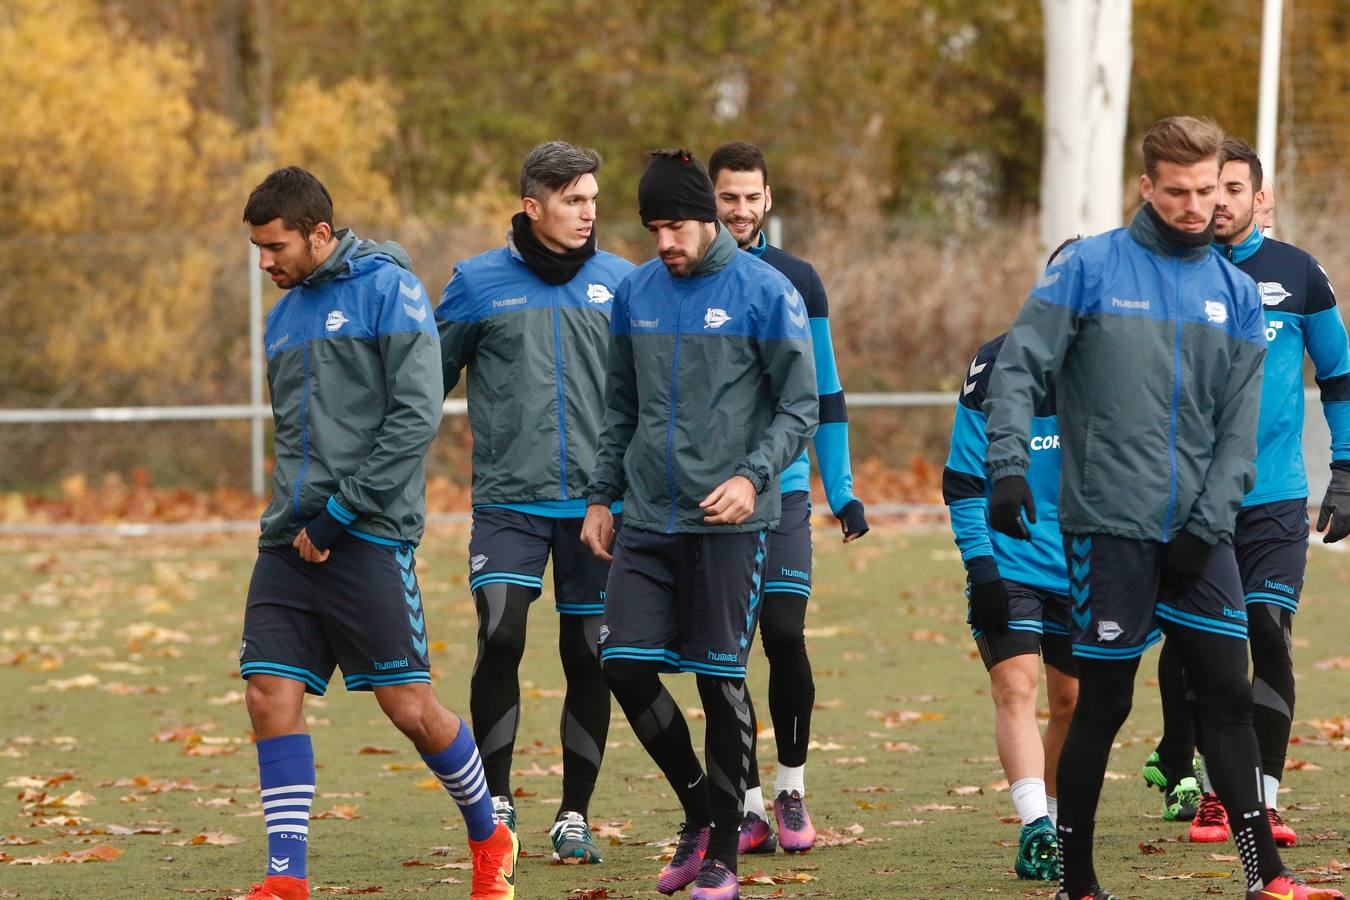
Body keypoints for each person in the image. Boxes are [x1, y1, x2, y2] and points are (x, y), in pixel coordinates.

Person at [983, 117, 1343, 900]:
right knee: (1102, 705)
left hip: (1200, 534)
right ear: (1146, 186)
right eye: (1177, 192)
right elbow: (1018, 366)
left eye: (1208, 191)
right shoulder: (1087, 268)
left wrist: (1206, 526)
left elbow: (1237, 435)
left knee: (1228, 692)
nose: (1194, 206)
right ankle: (1077, 884)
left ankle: (1266, 877)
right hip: (1107, 530)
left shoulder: (1238, 295)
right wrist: (1006, 467)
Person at [238, 167, 515, 900]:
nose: (266, 262)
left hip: (366, 534)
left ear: (320, 235)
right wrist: (299, 518)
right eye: (258, 249)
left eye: (276, 247)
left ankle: (489, 834)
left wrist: (340, 514)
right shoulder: (283, 315)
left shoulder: (390, 292)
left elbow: (414, 419)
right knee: (267, 693)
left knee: (411, 710)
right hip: (288, 542)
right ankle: (286, 878)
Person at [581, 149, 817, 900]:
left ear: (710, 218)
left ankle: (724, 854)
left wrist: (753, 477)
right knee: (619, 661)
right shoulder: (637, 292)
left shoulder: (767, 292)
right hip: (648, 519)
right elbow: (620, 405)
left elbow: (799, 407)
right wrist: (599, 496)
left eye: (675, 225)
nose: (663, 243)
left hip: (731, 526)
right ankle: (700, 813)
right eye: (652, 227)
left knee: (721, 682)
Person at [1144, 137, 1350, 848]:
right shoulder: (1169, 271)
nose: (1220, 201)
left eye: (1234, 188)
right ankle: (1209, 790)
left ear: (1262, 197)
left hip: (1275, 498)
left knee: (1270, 634)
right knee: (1208, 649)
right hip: (1190, 501)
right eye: (1210, 188)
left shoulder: (1298, 276)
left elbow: (1340, 375)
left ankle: (1260, 798)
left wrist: (1346, 470)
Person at [434, 141, 634, 863]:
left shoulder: (624, 281)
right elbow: (426, 381)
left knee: (590, 656)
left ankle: (575, 813)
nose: (588, 212)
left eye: (592, 198)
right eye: (573, 200)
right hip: (509, 501)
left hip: (597, 507)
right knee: (501, 633)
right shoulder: (476, 283)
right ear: (532, 206)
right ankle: (496, 801)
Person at [706, 141, 869, 856]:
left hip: (787, 491)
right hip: (710, 497)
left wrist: (845, 491)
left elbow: (826, 393)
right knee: (724, 653)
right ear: (708, 199)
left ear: (767, 200)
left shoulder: (798, 280)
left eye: (751, 197)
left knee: (784, 633)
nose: (740, 210)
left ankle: (790, 786)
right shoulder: (679, 275)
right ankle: (742, 804)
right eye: (727, 197)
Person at [941, 243, 1081, 883]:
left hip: (1087, 563)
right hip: (1013, 560)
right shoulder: (995, 362)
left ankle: (1053, 813)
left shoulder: (1127, 365)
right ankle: (1036, 827)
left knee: (1073, 700)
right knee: (1016, 685)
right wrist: (983, 568)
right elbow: (964, 481)